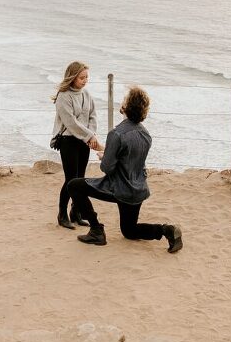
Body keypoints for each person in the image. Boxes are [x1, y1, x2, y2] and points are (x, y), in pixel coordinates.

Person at [67, 86, 183, 253]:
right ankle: (167, 230)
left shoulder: (116, 134)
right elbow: (130, 158)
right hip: (138, 189)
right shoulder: (145, 134)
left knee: (74, 185)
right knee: (129, 230)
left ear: (126, 106)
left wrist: (103, 157)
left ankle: (96, 230)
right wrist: (109, 152)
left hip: (119, 189)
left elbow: (107, 168)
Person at [51, 61, 99, 229]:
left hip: (84, 142)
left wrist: (90, 135)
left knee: (81, 179)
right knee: (70, 180)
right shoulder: (63, 96)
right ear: (72, 77)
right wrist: (89, 135)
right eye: (81, 77)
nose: (85, 80)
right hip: (68, 141)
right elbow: (71, 123)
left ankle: (76, 213)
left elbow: (93, 116)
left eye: (86, 77)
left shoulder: (86, 94)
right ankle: (62, 214)